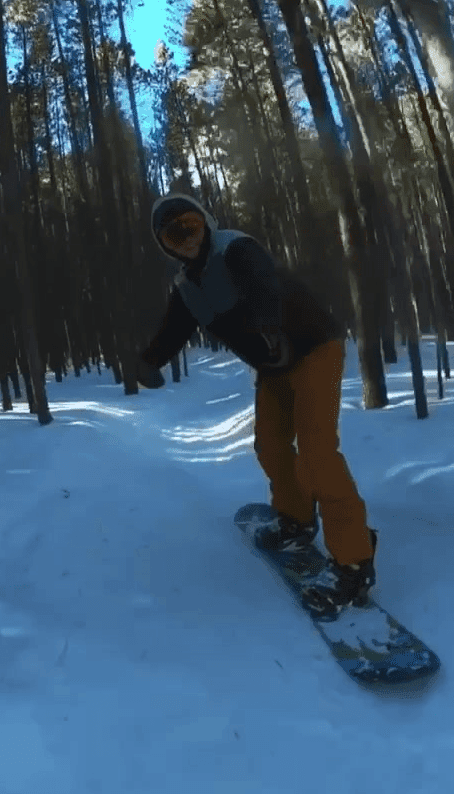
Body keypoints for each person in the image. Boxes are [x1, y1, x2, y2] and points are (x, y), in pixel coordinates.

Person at [137, 192, 377, 616]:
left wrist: (267, 326)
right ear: (165, 247)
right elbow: (173, 328)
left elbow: (262, 282)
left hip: (313, 346)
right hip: (274, 364)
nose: (187, 238)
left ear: (205, 221)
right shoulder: (187, 287)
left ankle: (354, 562)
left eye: (191, 226)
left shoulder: (235, 248)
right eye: (173, 236)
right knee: (270, 445)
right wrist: (149, 361)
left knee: (317, 452)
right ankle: (296, 520)